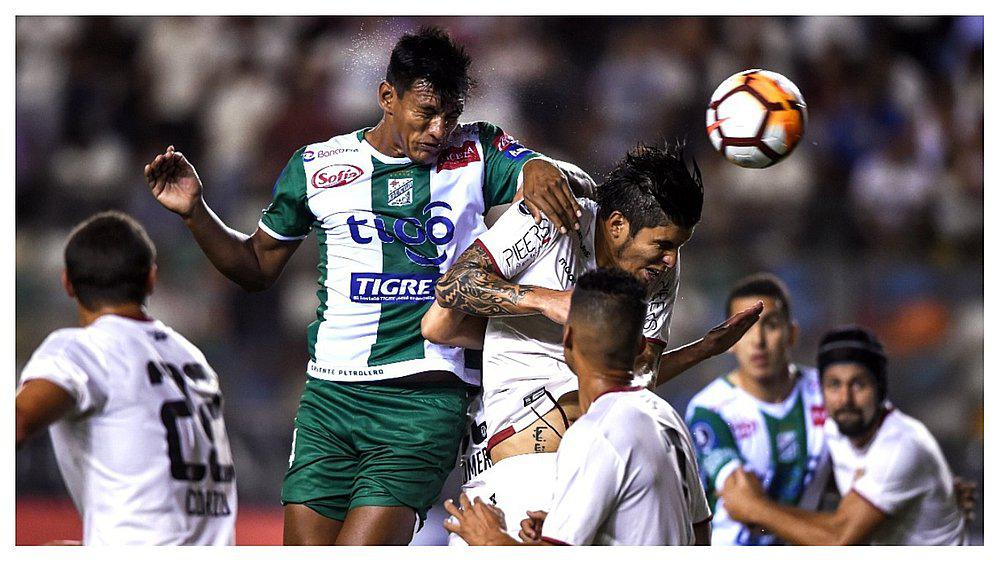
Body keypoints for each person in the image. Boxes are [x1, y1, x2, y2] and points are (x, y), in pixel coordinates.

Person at [142, 27, 592, 545]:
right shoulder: (317, 166)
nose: (439, 129)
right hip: (329, 396)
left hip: (425, 397)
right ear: (387, 97)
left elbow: (533, 168)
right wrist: (195, 211)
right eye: (426, 113)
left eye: (450, 114)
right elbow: (255, 267)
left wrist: (539, 167)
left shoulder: (476, 150)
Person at [423, 142, 761, 538]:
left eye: (679, 246)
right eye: (664, 245)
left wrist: (702, 350)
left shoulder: (657, 270)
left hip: (597, 467)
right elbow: (452, 290)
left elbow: (638, 375)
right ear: (617, 225)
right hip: (522, 467)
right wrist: (547, 302)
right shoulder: (551, 217)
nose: (670, 260)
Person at [15, 211, 237, 546]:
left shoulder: (82, 349)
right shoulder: (193, 357)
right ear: (151, 279)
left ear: (67, 284)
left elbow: (17, 421)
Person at [444, 269, 711, 545]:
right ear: (642, 346)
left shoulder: (593, 433)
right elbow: (700, 532)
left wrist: (491, 539)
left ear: (568, 338)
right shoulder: (665, 415)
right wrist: (560, 529)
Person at [720, 326, 968, 545]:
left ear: (880, 390)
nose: (845, 399)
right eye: (834, 385)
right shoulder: (833, 431)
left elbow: (838, 540)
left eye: (859, 384)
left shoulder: (901, 444)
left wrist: (754, 508)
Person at [684, 273, 830, 545]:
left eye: (771, 325)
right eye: (744, 328)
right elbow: (744, 506)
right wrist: (833, 535)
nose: (758, 341)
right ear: (729, 340)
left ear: (792, 333)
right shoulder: (710, 409)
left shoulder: (826, 393)